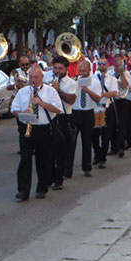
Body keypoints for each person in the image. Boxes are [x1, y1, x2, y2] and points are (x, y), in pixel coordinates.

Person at [11, 64, 63, 199]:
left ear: (42, 77)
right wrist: (21, 113)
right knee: (25, 159)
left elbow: (58, 110)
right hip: (27, 127)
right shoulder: (23, 92)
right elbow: (13, 109)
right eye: (31, 77)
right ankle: (23, 190)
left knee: (43, 159)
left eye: (35, 77)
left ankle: (42, 187)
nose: (33, 80)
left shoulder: (50, 91)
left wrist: (42, 103)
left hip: (43, 128)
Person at [68, 61, 102, 177]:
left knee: (87, 142)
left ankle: (86, 167)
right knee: (71, 142)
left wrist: (88, 91)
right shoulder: (74, 81)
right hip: (75, 112)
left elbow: (98, 99)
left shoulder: (95, 82)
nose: (81, 73)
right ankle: (68, 170)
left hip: (88, 113)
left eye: (84, 71)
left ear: (89, 70)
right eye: (80, 71)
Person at [48, 55, 77, 187]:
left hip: (64, 117)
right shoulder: (47, 79)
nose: (57, 71)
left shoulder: (71, 83)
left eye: (60, 68)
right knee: (50, 148)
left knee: (63, 147)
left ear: (66, 68)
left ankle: (62, 173)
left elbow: (71, 100)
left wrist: (58, 90)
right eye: (55, 68)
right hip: (50, 117)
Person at [92, 59, 118, 169]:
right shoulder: (92, 78)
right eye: (100, 64)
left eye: (104, 64)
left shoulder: (112, 79)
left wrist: (101, 94)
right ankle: (97, 153)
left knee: (106, 135)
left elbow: (114, 92)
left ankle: (102, 158)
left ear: (108, 65)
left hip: (107, 107)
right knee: (93, 135)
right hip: (95, 107)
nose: (102, 65)